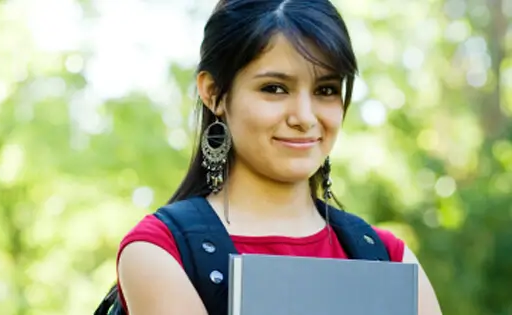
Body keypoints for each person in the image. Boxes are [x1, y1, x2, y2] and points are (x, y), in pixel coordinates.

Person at [110, 0, 442, 314]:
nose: (305, 117)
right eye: (274, 88)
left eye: (325, 90)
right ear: (213, 93)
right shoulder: (160, 251)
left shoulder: (388, 258)